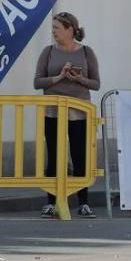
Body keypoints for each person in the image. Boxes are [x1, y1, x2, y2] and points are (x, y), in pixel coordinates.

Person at [33, 11, 101, 218]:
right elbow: (37, 82)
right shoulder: (48, 51)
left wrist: (79, 79)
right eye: (53, 28)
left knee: (80, 155)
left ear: (71, 29)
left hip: (80, 112)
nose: (54, 32)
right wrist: (59, 77)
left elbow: (96, 84)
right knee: (53, 155)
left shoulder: (87, 52)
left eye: (57, 28)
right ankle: (50, 202)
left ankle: (83, 202)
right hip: (53, 111)